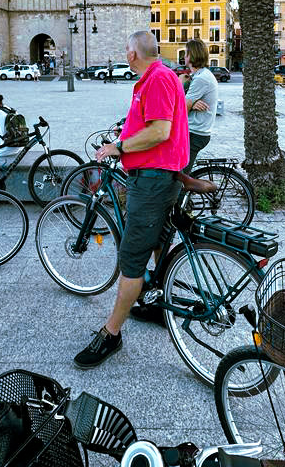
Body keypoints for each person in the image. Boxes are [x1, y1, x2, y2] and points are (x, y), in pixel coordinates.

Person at [74, 31, 188, 369]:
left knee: (132, 259)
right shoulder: (158, 77)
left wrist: (119, 147)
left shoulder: (156, 79)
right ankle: (156, 303)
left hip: (152, 180)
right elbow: (148, 122)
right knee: (157, 241)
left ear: (133, 54)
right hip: (161, 175)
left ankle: (111, 334)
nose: (125, 55)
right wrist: (126, 131)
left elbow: (159, 130)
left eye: (126, 50)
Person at [179, 39, 218, 173]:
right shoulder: (199, 75)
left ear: (192, 55)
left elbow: (181, 109)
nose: (184, 56)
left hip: (194, 134)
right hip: (194, 131)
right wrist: (192, 102)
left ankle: (182, 192)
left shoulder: (201, 78)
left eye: (186, 53)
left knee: (179, 177)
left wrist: (190, 103)